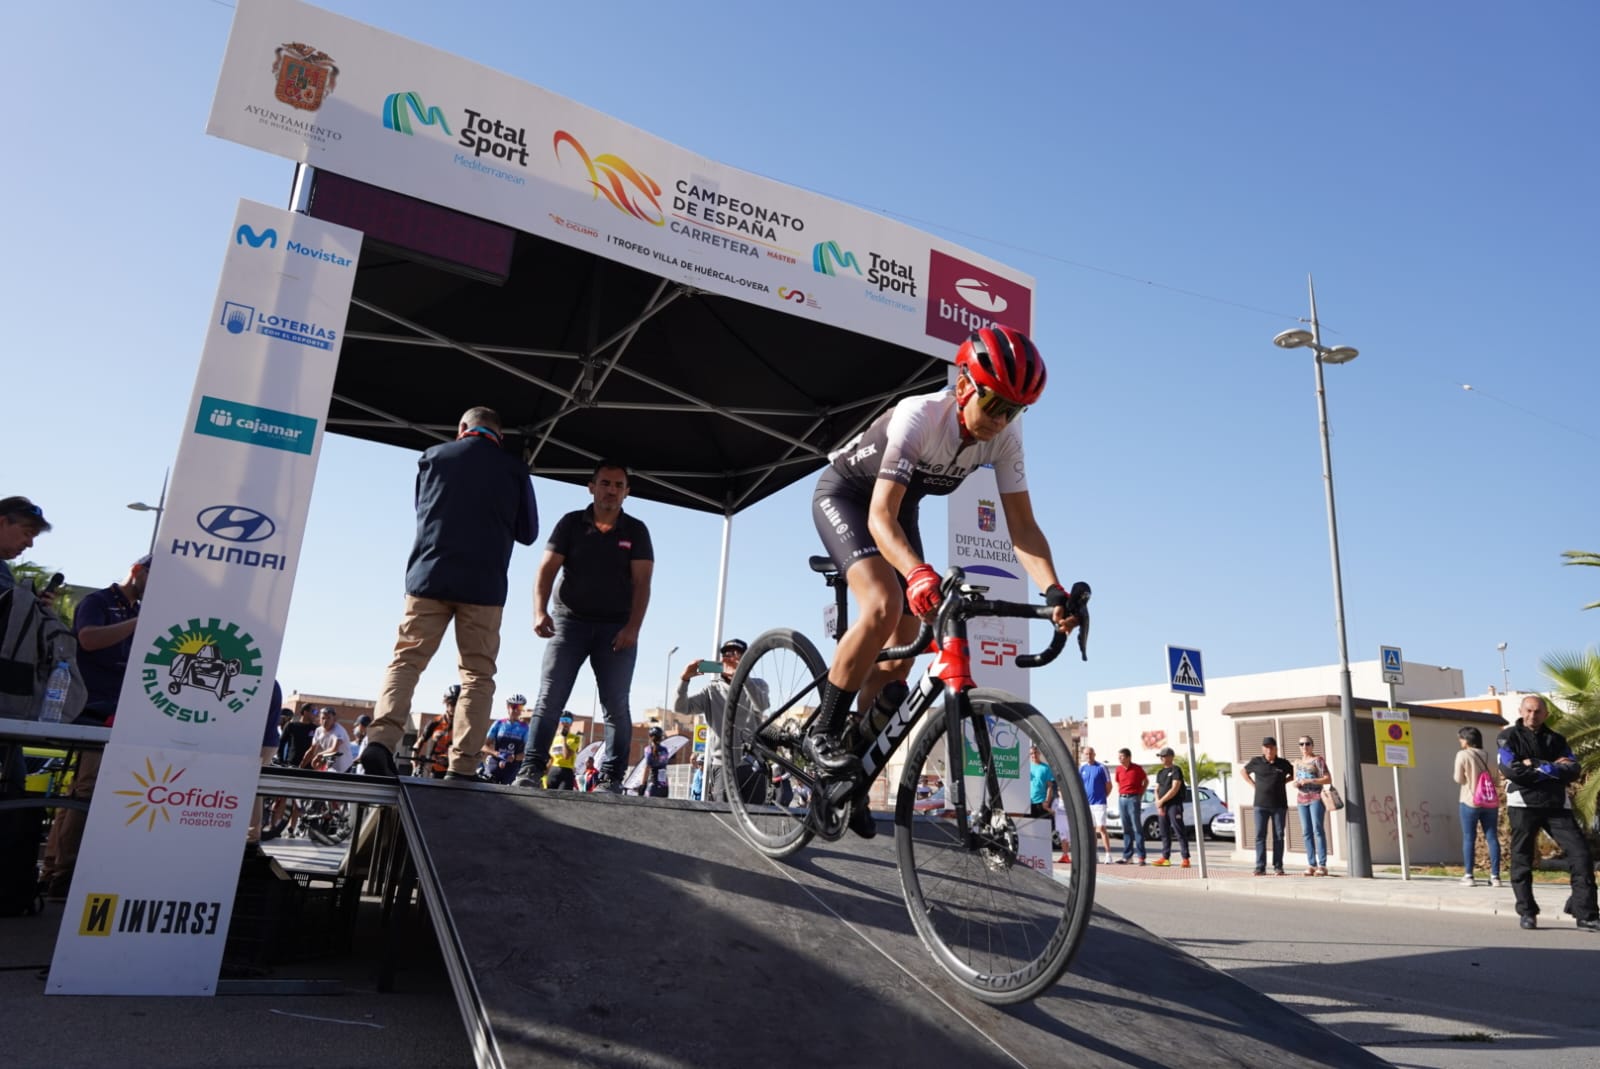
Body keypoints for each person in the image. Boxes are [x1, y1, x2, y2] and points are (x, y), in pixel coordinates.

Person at [805, 326, 1080, 840]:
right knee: (884, 604)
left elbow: (1023, 528)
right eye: (996, 402)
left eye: (1016, 409)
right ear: (963, 387)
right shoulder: (919, 417)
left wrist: (1054, 592)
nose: (1001, 420)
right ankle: (822, 731)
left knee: (905, 651)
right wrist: (915, 572)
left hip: (898, 506)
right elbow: (880, 518)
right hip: (847, 496)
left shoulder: (1005, 439)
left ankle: (852, 768)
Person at [360, 406, 539, 782]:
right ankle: (462, 766)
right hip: (484, 587)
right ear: (499, 436)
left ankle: (379, 742)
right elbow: (528, 532)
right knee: (477, 675)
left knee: (406, 660)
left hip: (429, 577)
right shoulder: (513, 469)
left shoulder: (432, 458)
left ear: (462, 428)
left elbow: (423, 511)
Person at [514, 461, 654, 794]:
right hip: (569, 623)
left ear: (627, 492)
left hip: (616, 628)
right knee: (549, 698)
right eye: (605, 483)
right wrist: (539, 611)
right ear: (591, 487)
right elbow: (546, 569)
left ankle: (611, 778)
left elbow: (643, 583)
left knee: (616, 705)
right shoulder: (570, 523)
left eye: (619, 485)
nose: (612, 490)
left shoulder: (636, 530)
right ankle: (531, 769)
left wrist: (633, 628)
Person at [38, 552, 148, 900]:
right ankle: (62, 872)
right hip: (90, 707)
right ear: (136, 571)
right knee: (86, 789)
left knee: (85, 791)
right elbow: (87, 639)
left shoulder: (137, 610)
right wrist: (138, 623)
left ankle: (56, 866)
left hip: (122, 710)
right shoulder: (98, 601)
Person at [1496, 695, 1598, 931]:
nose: (1533, 715)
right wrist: (1553, 769)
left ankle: (1585, 913)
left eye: (1538, 711)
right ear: (1521, 711)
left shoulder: (1557, 739)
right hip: (1523, 804)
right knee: (1522, 859)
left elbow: (1572, 769)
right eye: (1529, 711)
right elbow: (1512, 770)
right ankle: (1527, 911)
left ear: (1546, 714)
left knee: (1581, 855)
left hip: (1556, 805)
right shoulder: (1507, 737)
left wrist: (1535, 763)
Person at [674, 637, 767, 801]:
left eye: (738, 655)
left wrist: (741, 676)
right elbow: (681, 708)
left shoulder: (758, 684)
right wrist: (684, 679)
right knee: (724, 817)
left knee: (754, 817)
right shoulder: (711, 690)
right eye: (728, 655)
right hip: (722, 765)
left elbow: (762, 705)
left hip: (752, 764)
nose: (732, 659)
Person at [1454, 726, 1502, 888]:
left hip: (1469, 800)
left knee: (1469, 837)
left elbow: (1458, 778)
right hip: (1490, 802)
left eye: (1461, 738)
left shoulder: (1462, 755)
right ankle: (1495, 877)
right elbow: (1496, 780)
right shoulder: (1489, 756)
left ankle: (1469, 876)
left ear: (1467, 740)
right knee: (1492, 837)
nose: (1460, 741)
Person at [1243, 736, 1294, 876]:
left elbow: (1295, 774)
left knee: (1279, 836)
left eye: (1271, 747)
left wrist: (1284, 781)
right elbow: (1244, 772)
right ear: (1262, 748)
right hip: (1260, 805)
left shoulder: (1283, 763)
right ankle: (1260, 866)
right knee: (1260, 836)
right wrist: (1253, 784)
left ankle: (1278, 866)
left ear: (1276, 748)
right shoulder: (1256, 762)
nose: (1269, 749)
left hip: (1279, 805)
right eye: (1266, 747)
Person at [1294, 736, 1333, 877]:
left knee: (1318, 830)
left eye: (1307, 744)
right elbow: (1295, 780)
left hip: (1316, 797)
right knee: (1306, 832)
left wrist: (1310, 780)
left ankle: (1322, 865)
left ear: (1312, 745)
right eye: (1301, 744)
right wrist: (1296, 783)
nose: (1304, 746)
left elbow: (1328, 778)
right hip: (1301, 799)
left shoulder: (1318, 760)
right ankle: (1311, 864)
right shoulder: (1297, 762)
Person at [0, 496, 52, 595]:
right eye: (27, 533)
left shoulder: (5, 572)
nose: (30, 544)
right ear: (2, 523)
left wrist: (30, 604)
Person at [1151, 747, 1190, 868]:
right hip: (1162, 806)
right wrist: (1158, 803)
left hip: (1174, 805)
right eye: (1160, 756)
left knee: (1179, 831)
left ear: (1171, 757)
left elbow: (1175, 788)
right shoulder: (1160, 772)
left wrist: (1162, 800)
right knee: (1164, 832)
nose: (1161, 758)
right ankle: (1165, 858)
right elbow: (1156, 789)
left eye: (1164, 756)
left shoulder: (1176, 770)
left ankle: (1185, 858)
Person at [1027, 743, 1065, 861]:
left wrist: (1047, 801)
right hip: (1028, 803)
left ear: (1039, 754)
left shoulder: (1045, 768)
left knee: (1043, 830)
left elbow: (1049, 786)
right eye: (1031, 754)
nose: (1033, 755)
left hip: (1041, 802)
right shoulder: (1026, 768)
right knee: (1029, 830)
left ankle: (1042, 856)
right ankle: (1030, 854)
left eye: (1035, 753)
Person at [481, 693, 529, 784]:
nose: (516, 710)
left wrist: (514, 757)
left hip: (513, 767)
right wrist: (496, 753)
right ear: (508, 706)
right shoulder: (499, 723)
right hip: (495, 763)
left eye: (520, 708)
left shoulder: (524, 727)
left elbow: (527, 752)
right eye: (514, 707)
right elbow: (484, 746)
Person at [413, 686, 459, 779]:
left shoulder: (464, 726)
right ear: (446, 703)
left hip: (455, 771)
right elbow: (420, 742)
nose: (454, 707)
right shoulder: (436, 722)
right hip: (436, 770)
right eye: (452, 703)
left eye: (458, 704)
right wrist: (415, 765)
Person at [1112, 748, 1148, 865]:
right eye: (1119, 756)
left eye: (1122, 756)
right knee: (1126, 828)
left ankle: (1141, 857)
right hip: (1122, 799)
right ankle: (1127, 857)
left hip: (1133, 798)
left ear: (1128, 757)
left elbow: (1145, 781)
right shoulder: (1118, 769)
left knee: (1137, 828)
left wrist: (1140, 795)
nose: (1120, 759)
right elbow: (1118, 782)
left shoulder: (1137, 769)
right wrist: (1121, 793)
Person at [1079, 746, 1112, 863]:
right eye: (1086, 754)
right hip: (1087, 804)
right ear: (1084, 755)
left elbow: (1109, 785)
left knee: (1101, 828)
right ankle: (1095, 854)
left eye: (1091, 753)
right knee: (1091, 830)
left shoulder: (1101, 767)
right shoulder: (1082, 768)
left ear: (1094, 754)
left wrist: (1103, 797)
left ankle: (1108, 854)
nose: (1089, 756)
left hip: (1099, 803)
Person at [303, 707, 353, 773]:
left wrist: (319, 755)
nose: (325, 721)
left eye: (328, 718)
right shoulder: (318, 731)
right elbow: (312, 750)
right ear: (319, 720)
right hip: (331, 767)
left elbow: (334, 749)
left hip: (345, 768)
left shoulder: (338, 730)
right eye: (323, 718)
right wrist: (301, 766)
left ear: (334, 719)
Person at [544, 713, 582, 790]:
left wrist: (564, 738)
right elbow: (551, 759)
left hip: (566, 771)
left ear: (571, 723)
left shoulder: (575, 738)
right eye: (563, 720)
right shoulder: (555, 738)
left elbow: (566, 756)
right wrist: (545, 773)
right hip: (553, 771)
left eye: (568, 720)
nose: (565, 723)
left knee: (563, 799)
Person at [641, 725, 671, 798]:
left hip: (653, 784)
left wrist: (642, 785)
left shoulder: (648, 750)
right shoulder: (665, 750)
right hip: (664, 785)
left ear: (650, 737)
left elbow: (647, 768)